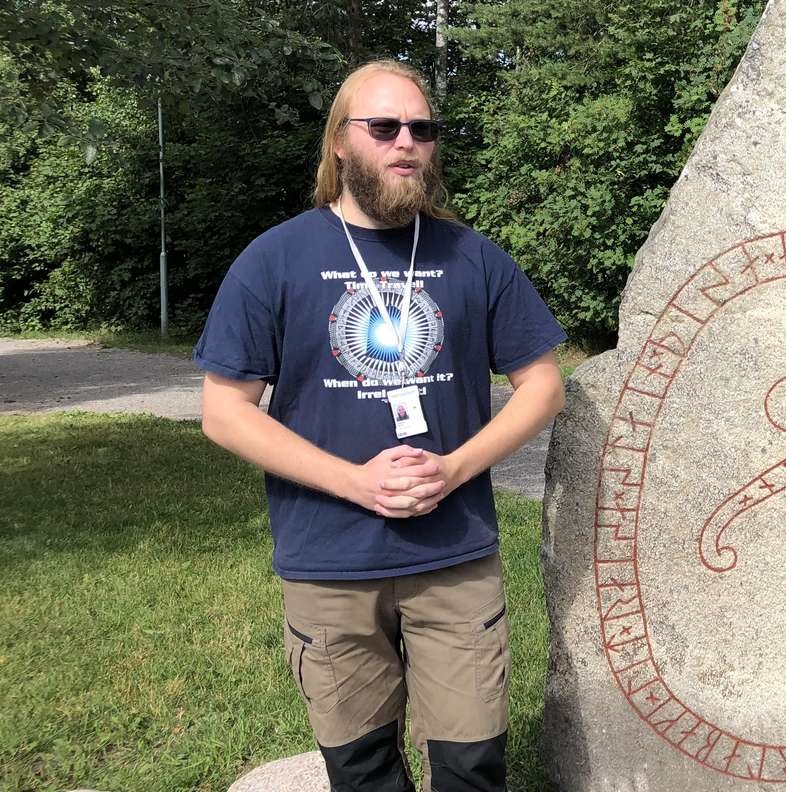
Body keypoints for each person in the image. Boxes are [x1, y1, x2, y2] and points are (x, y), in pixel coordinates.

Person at [194, 59, 566, 792]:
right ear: (340, 141)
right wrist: (355, 483)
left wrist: (454, 469)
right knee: (361, 771)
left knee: (471, 768)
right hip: (329, 560)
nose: (407, 143)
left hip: (453, 556)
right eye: (385, 126)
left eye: (422, 129)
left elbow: (543, 385)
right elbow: (224, 412)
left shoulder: (472, 257)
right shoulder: (275, 259)